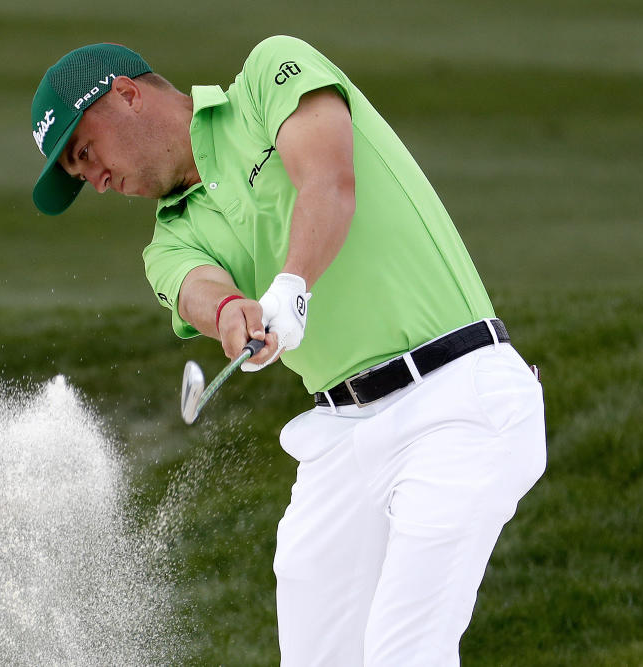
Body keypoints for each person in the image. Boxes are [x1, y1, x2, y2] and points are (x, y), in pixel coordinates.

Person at [30, 36, 546, 666]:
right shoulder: (167, 243)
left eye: (87, 152)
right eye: (82, 177)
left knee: (403, 651)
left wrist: (292, 283)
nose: (99, 181)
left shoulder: (270, 77)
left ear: (128, 94)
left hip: (458, 394)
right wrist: (231, 313)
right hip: (340, 436)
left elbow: (329, 179)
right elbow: (199, 291)